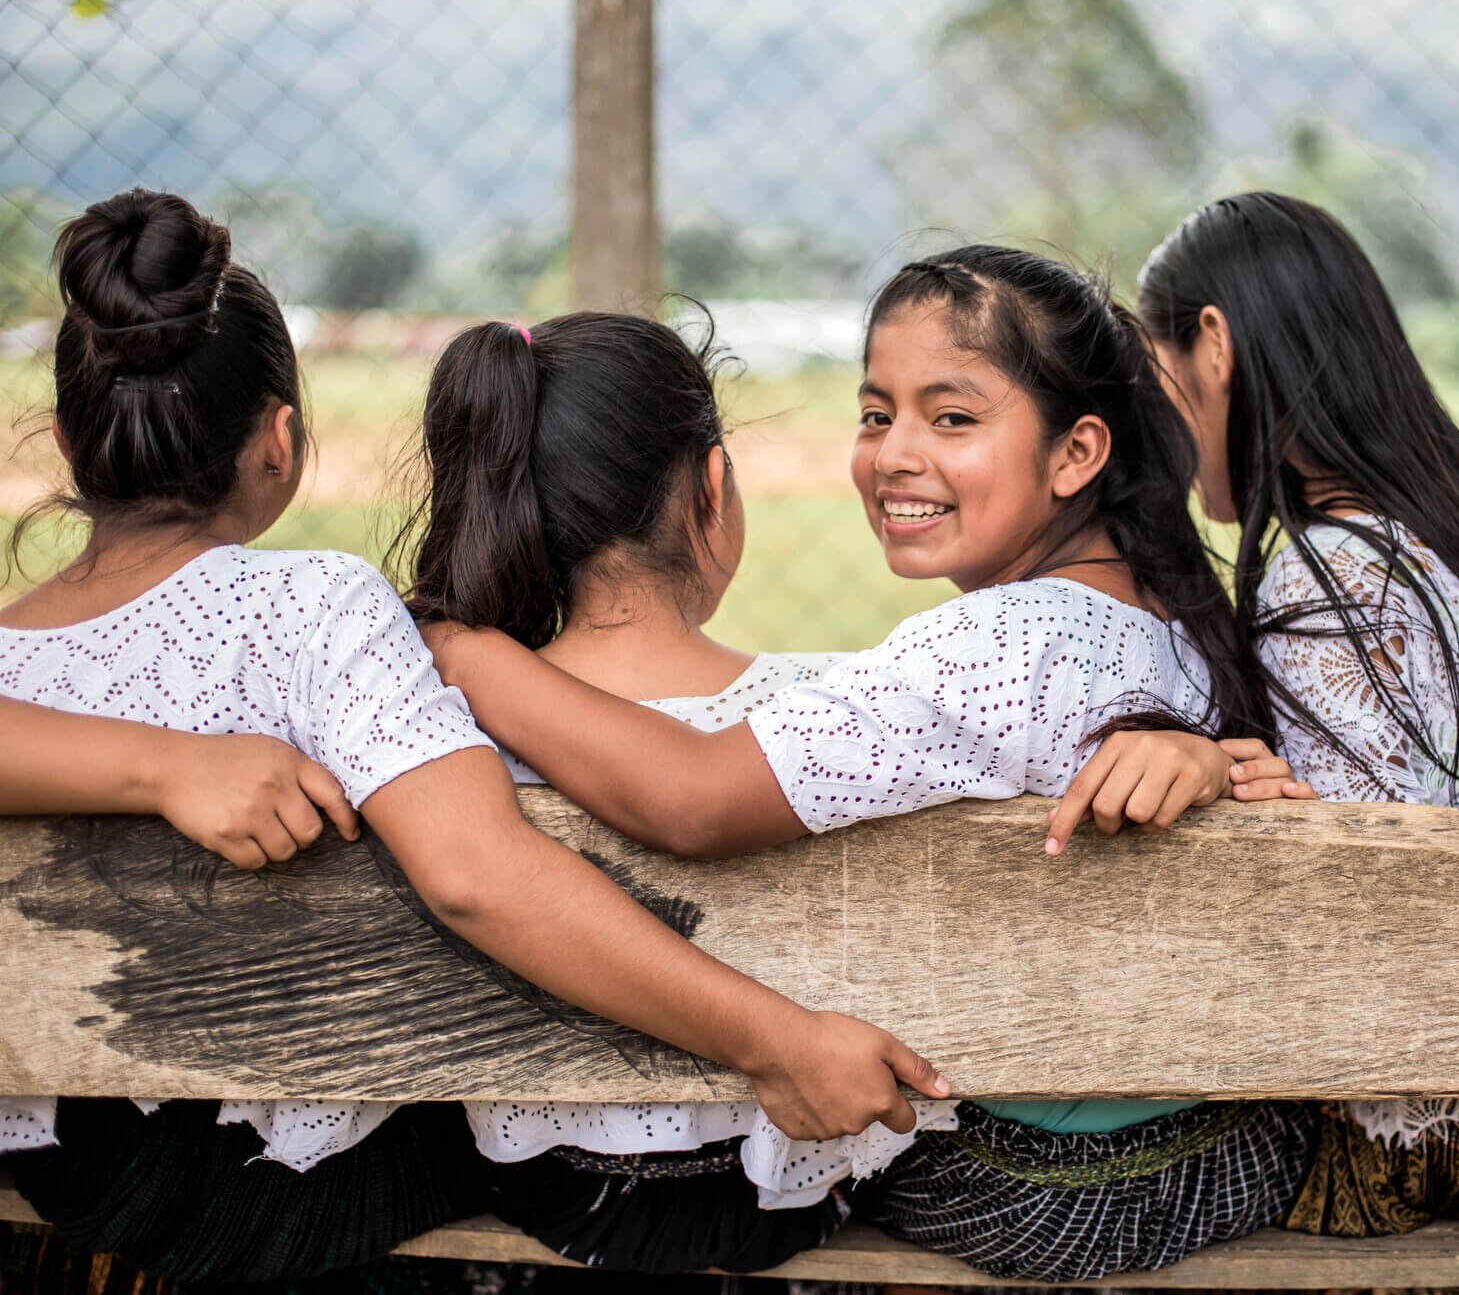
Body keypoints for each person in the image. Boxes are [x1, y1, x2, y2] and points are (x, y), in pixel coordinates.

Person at [0, 189, 944, 1283]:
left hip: (50, 1163)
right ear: (279, 438)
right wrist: (776, 1041)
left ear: (69, 439)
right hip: (279, 1190)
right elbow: (474, 875)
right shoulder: (314, 610)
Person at [422, 245, 1319, 1283]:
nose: (893, 452)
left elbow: (694, 794)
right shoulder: (1168, 614)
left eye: (951, 418)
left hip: (1046, 1181)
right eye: (873, 412)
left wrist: (462, 650)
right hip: (1214, 1142)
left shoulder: (999, 648)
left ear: (1076, 453)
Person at [1061, 190, 1459, 1237]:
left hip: (1396, 1148)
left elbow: (1345, 908)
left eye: (1154, 381)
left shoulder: (1325, 577)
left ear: (1212, 343)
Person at [393, 306, 953, 1273]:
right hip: (796, 1185)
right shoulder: (827, 714)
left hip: (551, 1183)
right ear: (711, 486)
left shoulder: (436, 734)